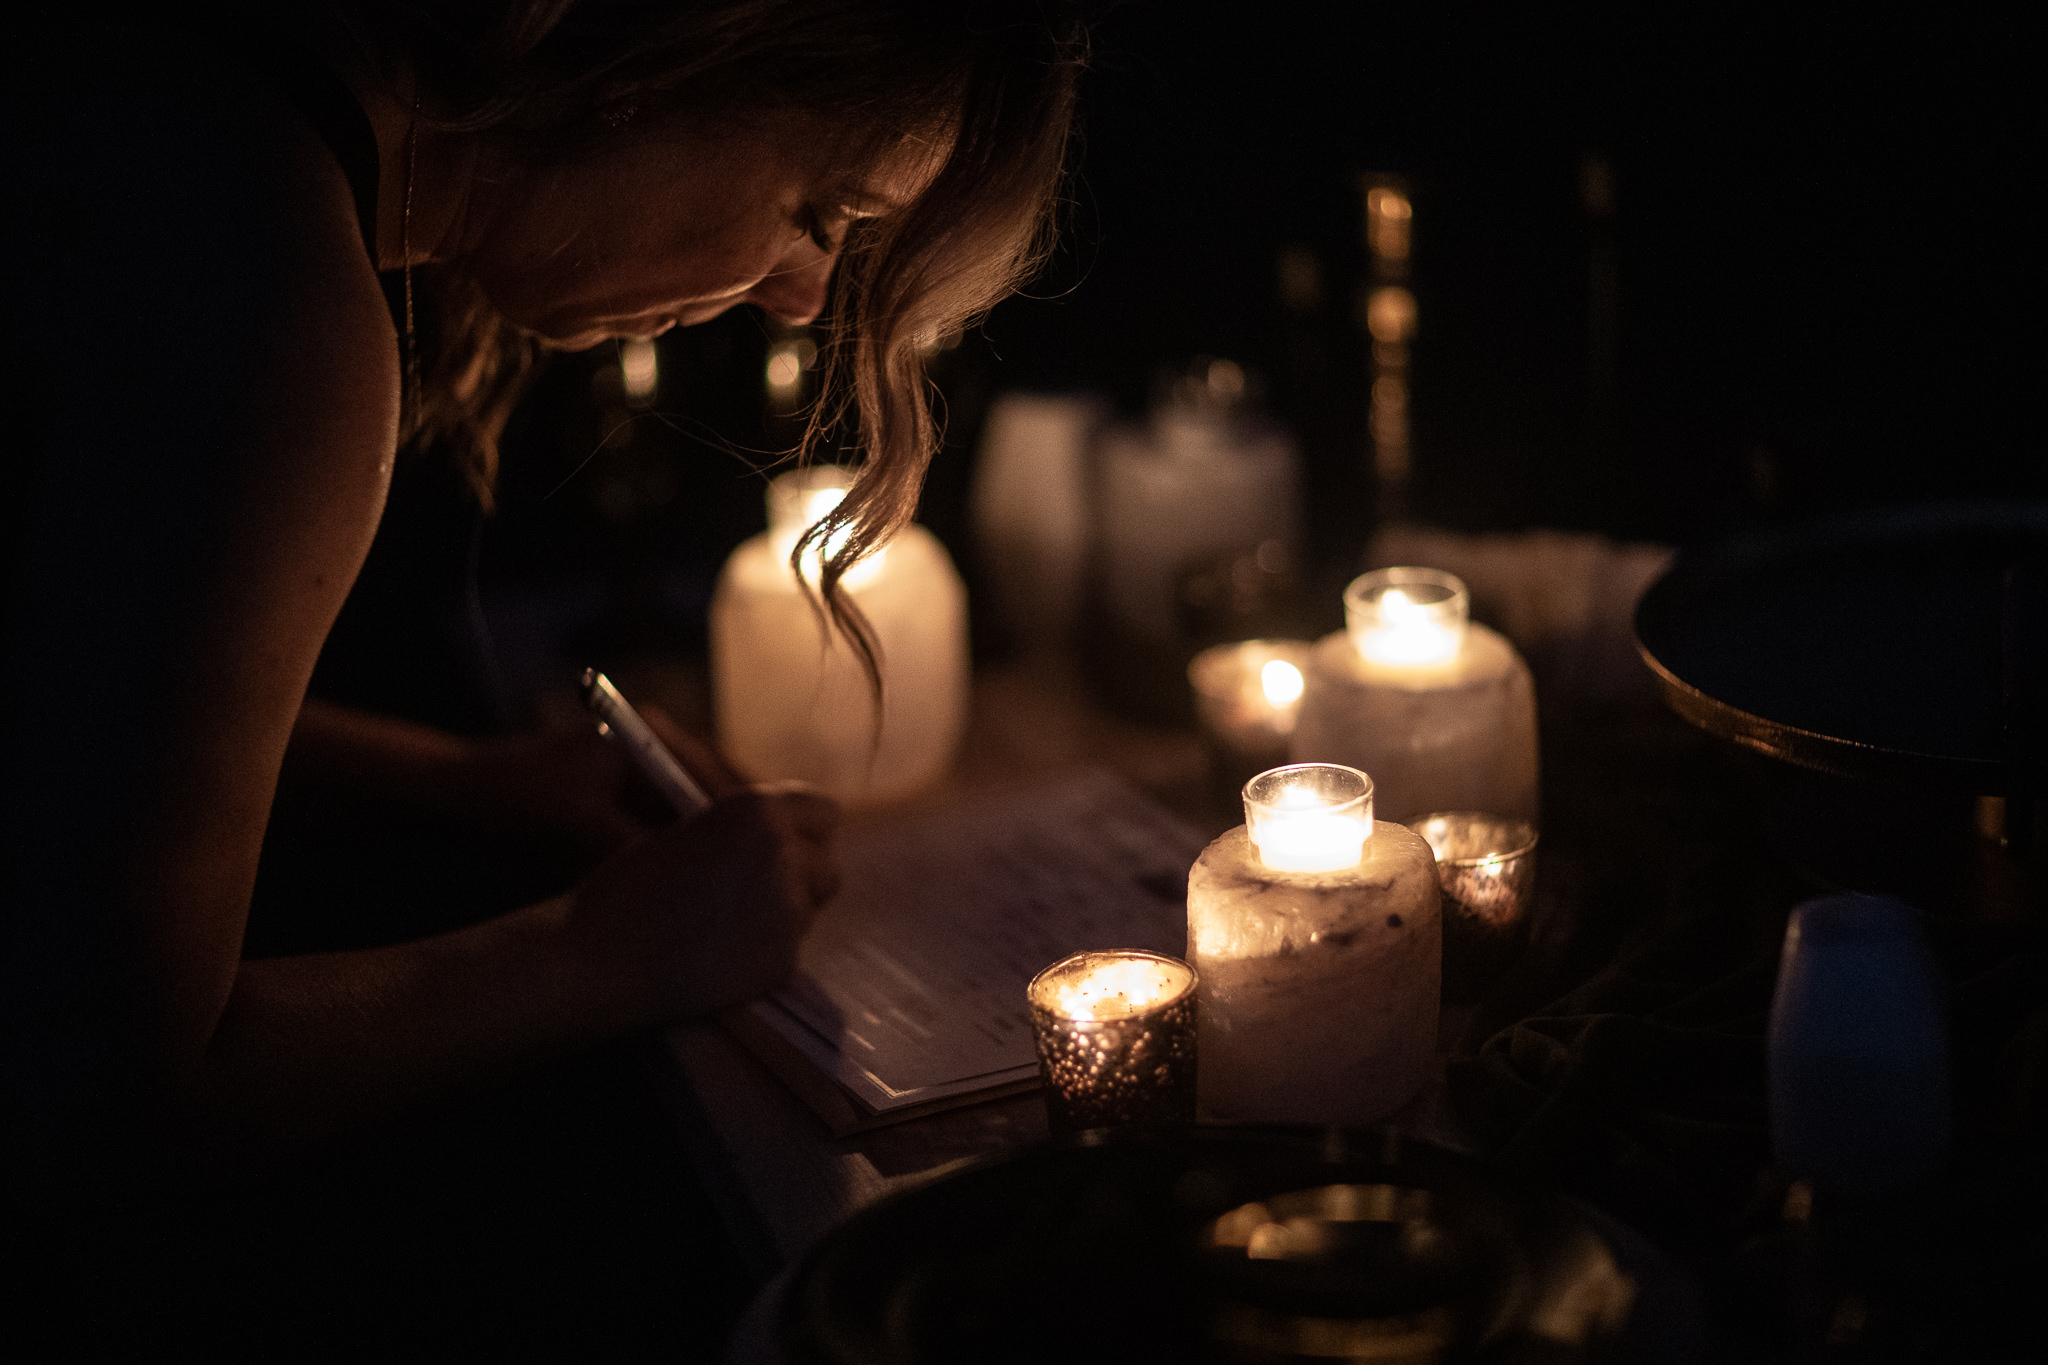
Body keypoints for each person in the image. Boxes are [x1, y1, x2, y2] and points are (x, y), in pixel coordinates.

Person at [1, 0, 1081, 1344]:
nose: (803, 292)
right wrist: (605, 948)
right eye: (820, 207)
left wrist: (471, 779)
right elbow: (102, 1088)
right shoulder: (269, 305)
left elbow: (68, 715)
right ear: (680, 52)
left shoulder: (189, 106)